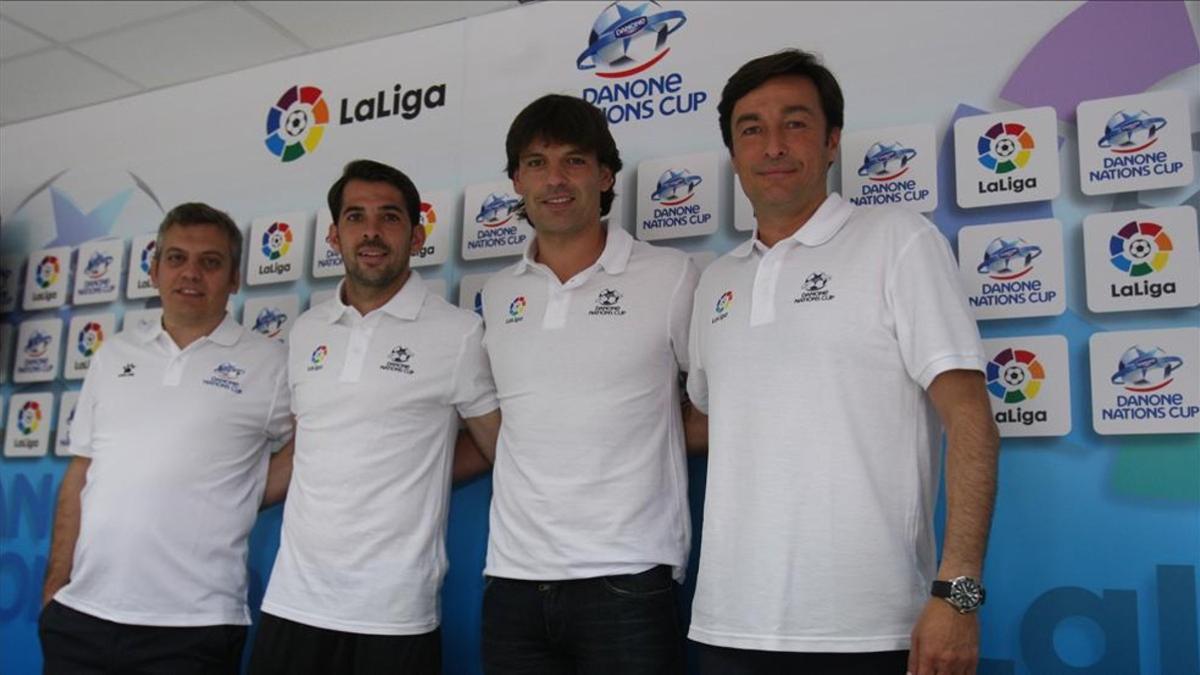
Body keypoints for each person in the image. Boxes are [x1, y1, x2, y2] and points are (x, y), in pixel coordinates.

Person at [686, 49, 1000, 675]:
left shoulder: (899, 241)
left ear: (831, 142)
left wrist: (959, 598)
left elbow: (972, 423)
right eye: (751, 129)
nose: (773, 145)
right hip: (726, 626)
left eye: (795, 123)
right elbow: (705, 425)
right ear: (733, 155)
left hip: (871, 632)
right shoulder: (716, 281)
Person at [475, 94, 698, 675]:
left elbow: (716, 405)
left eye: (574, 161)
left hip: (626, 576)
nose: (555, 179)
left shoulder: (670, 277)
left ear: (604, 175)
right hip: (513, 579)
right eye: (536, 162)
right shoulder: (498, 294)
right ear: (516, 180)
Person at [248, 159, 500, 675]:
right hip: (293, 601)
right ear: (335, 236)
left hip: (394, 614)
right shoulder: (306, 332)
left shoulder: (457, 334)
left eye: (388, 217)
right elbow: (305, 449)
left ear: (416, 233)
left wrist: (416, 469)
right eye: (355, 217)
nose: (371, 231)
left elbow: (499, 445)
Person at [40, 202, 293, 674]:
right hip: (81, 617)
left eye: (210, 262)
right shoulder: (113, 355)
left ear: (234, 278)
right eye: (176, 258)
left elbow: (313, 445)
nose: (191, 273)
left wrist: (243, 492)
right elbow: (81, 472)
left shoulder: (270, 364)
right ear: (154, 271)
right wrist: (56, 584)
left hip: (194, 625)